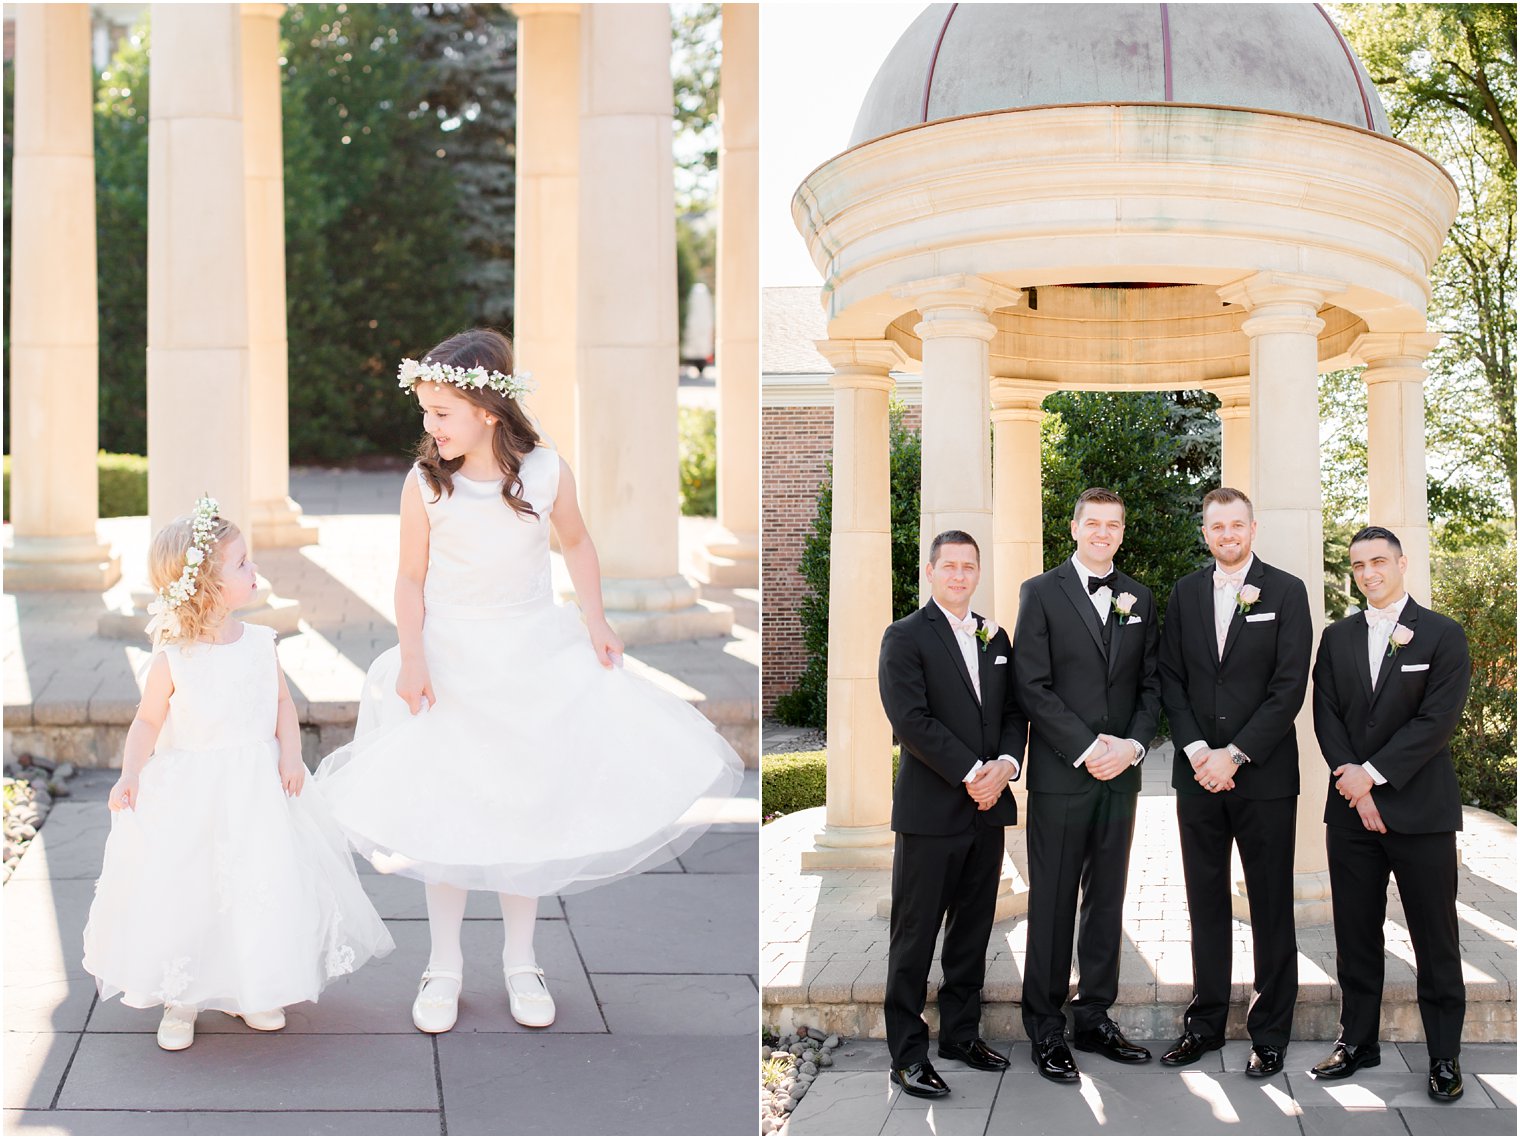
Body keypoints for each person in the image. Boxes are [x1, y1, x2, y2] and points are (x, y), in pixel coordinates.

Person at [316, 328, 743, 1034]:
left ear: (488, 410)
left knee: (522, 815)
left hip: (529, 654)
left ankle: (521, 960)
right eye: (423, 412)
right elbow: (410, 575)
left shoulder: (544, 472)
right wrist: (413, 656)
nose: (430, 426)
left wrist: (597, 619)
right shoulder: (425, 483)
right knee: (446, 815)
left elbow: (575, 540)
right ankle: (443, 964)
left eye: (442, 413)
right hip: (451, 662)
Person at [82, 498, 393, 1051]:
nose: (255, 572)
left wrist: (291, 756)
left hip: (256, 785)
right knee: (190, 886)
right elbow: (149, 719)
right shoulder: (174, 657)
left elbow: (279, 704)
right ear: (205, 584)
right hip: (192, 792)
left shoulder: (259, 644)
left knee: (260, 880)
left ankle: (256, 985)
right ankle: (182, 996)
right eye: (243, 564)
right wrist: (131, 773)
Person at [1310, 526, 1471, 1102]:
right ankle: (1357, 1042)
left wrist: (1372, 777)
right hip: (1350, 812)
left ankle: (1445, 1055)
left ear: (1402, 564)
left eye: (1379, 562)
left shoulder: (1443, 636)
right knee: (1355, 932)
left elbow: (1436, 722)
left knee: (1436, 936)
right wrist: (1356, 787)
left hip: (1422, 812)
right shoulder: (1337, 638)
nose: (1369, 573)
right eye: (1358, 565)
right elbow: (1326, 716)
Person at [1157, 487, 1311, 1077]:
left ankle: (1270, 1032)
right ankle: (1206, 1024)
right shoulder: (1186, 591)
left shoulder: (1287, 591)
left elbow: (1288, 686)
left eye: (1236, 525)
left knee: (1271, 903)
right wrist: (1200, 751)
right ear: (1206, 531)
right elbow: (1172, 675)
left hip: (1264, 777)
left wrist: (1236, 754)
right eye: (1216, 526)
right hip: (1198, 776)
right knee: (1205, 899)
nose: (1227, 535)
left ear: (1253, 527)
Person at [1013, 487, 1160, 1082]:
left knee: (1107, 899)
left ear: (1122, 532)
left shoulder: (1140, 597)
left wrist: (1130, 747)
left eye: (1114, 524)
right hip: (1063, 776)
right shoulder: (1041, 593)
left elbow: (1151, 687)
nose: (1103, 532)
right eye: (1093, 523)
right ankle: (1045, 1028)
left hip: (1119, 777)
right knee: (1051, 902)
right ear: (1073, 528)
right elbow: (1032, 685)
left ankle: (1094, 1015)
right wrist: (1085, 747)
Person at [876, 530, 1027, 1099]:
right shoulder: (905, 636)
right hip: (931, 811)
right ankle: (907, 1054)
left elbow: (1014, 712)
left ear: (977, 573)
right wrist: (973, 773)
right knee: (914, 935)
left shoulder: (996, 636)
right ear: (931, 572)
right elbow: (911, 720)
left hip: (988, 811)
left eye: (969, 567)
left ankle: (961, 1034)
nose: (960, 576)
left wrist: (1007, 766)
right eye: (951, 567)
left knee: (972, 930)